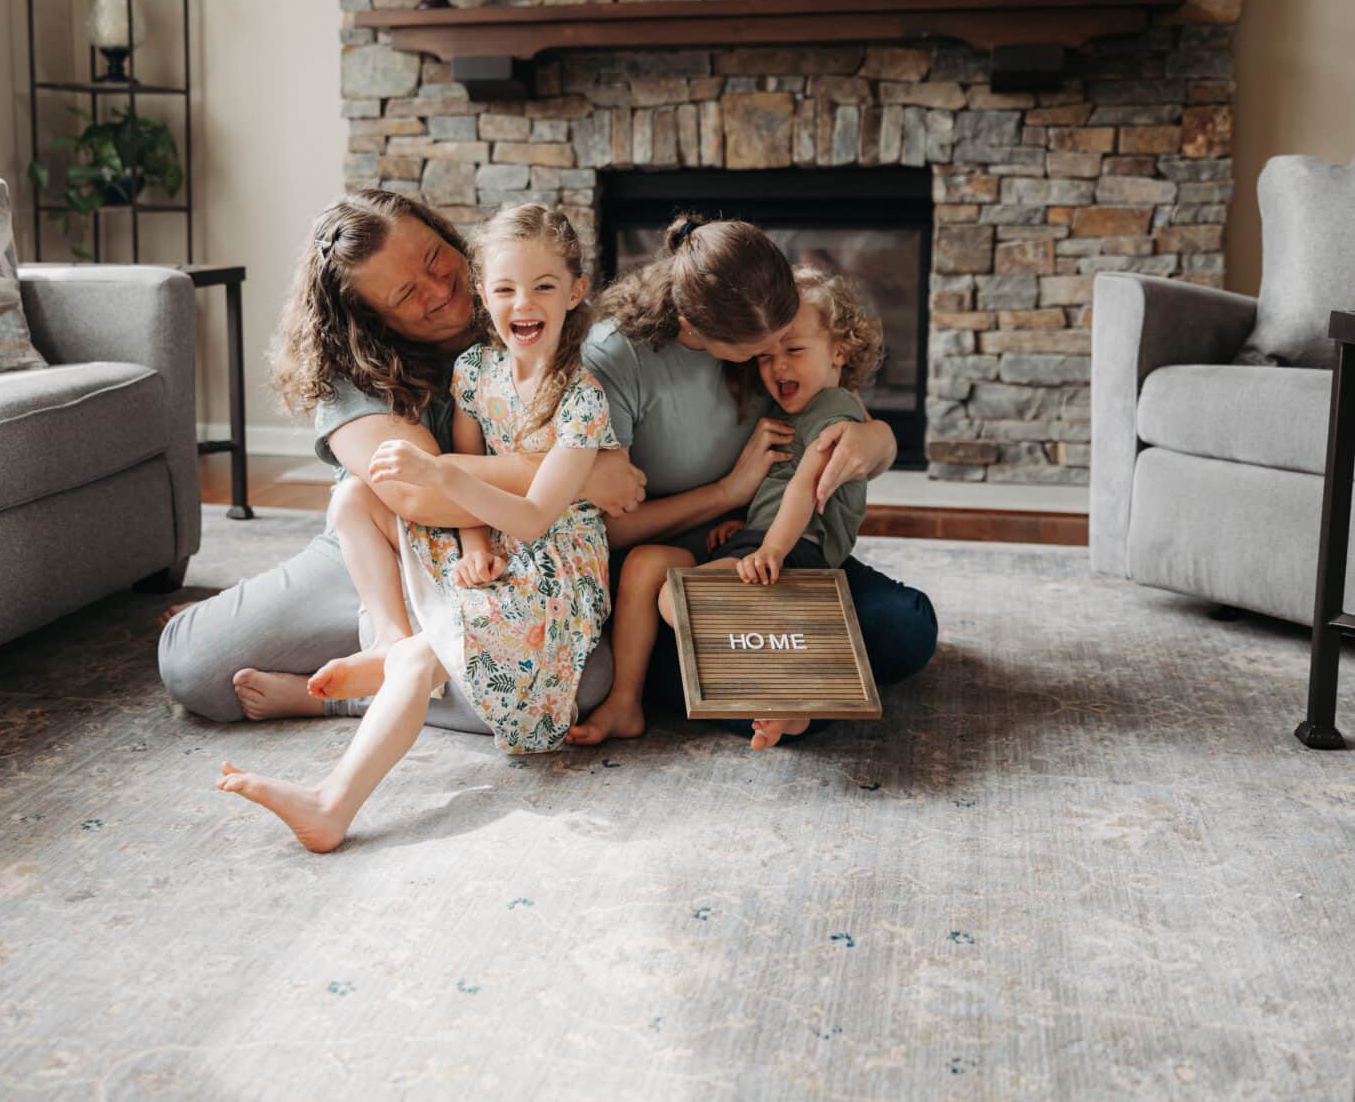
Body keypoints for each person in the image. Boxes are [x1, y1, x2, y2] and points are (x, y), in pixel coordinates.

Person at [155, 190, 644, 732]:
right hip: (387, 552)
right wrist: (575, 472)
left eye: (437, 258)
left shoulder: (519, 305)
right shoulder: (345, 372)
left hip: (504, 561)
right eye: (409, 292)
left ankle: (370, 679)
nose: (441, 288)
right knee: (193, 668)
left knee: (585, 685)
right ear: (371, 320)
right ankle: (382, 655)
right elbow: (420, 495)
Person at [217, 206, 617, 850]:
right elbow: (472, 467)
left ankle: (332, 801)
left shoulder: (582, 399)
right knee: (352, 499)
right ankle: (390, 642)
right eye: (508, 287)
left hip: (554, 564)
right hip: (492, 532)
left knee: (428, 657)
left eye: (545, 286)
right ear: (487, 295)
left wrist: (445, 478)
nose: (525, 302)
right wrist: (474, 545)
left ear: (576, 291)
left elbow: (537, 514)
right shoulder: (475, 374)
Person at [563, 215, 938, 747]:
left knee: (906, 627)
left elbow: (840, 425)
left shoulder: (762, 301)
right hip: (664, 570)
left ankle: (762, 684)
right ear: (705, 329)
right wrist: (726, 493)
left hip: (764, 546)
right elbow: (601, 530)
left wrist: (879, 441)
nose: (774, 356)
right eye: (761, 350)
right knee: (692, 632)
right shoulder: (617, 355)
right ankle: (780, 689)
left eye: (786, 342)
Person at [663, 266, 884, 750]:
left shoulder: (835, 409)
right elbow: (779, 487)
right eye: (765, 355)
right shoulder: (794, 413)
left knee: (678, 599)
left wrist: (771, 548)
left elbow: (806, 485)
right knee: (687, 601)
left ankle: (775, 692)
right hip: (770, 539)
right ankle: (787, 705)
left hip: (797, 547)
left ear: (840, 352)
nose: (778, 366)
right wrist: (741, 525)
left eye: (795, 350)